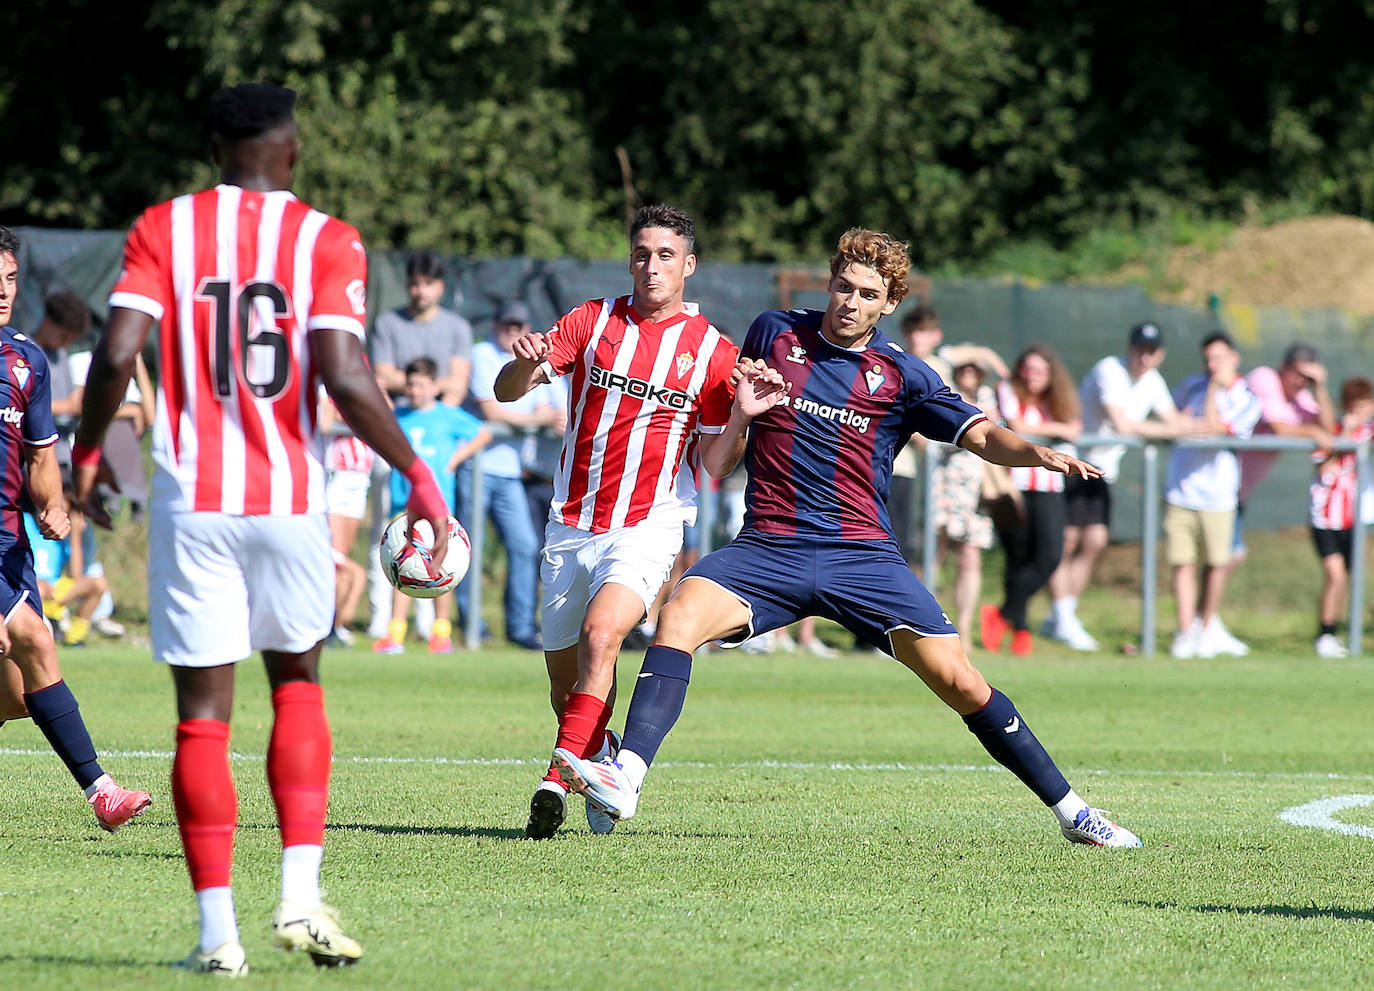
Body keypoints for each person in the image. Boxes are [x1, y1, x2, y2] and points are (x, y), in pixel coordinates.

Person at [554, 228, 1141, 850]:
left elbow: (982, 435)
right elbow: (727, 425)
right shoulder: (773, 333)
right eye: (843, 286)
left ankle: (1075, 812)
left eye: (868, 293)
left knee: (963, 682)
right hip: (767, 549)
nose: (851, 301)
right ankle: (627, 776)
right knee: (678, 619)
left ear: (888, 303)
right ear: (828, 282)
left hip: (860, 557)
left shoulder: (903, 376)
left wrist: (1037, 454)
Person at [72, 83, 455, 976]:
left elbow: (119, 350)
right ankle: (298, 897)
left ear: (214, 148)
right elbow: (344, 372)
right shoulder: (327, 238)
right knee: (298, 685)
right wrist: (418, 470)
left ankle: (217, 942)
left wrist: (89, 456)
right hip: (289, 499)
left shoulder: (164, 227)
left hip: (193, 502)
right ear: (291, 150)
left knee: (202, 721)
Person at [492, 203, 754, 840]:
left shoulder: (712, 353)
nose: (651, 267)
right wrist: (527, 363)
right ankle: (599, 756)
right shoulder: (592, 320)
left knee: (602, 634)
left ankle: (557, 776)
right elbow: (505, 392)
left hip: (648, 523)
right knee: (568, 689)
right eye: (642, 254)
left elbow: (716, 464)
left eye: (666, 256)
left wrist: (744, 413)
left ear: (689, 266)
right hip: (571, 522)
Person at [0, 225, 152, 833]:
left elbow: (40, 457)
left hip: (11, 546)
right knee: (36, 639)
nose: (3, 292)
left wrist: (55, 507)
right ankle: (103, 792)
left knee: (13, 697)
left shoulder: (27, 361)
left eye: (10, 279)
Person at [1042, 322, 1198, 650]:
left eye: (1151, 351)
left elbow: (1173, 421)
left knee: (1095, 540)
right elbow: (1123, 424)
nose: (1144, 357)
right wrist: (1173, 429)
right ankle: (1062, 616)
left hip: (1101, 470)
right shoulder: (1109, 370)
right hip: (1072, 463)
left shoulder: (1153, 381)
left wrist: (1198, 426)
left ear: (1161, 354)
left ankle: (1062, 615)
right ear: (1130, 348)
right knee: (1067, 540)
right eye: (1139, 349)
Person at [461, 300, 561, 650]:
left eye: (519, 326)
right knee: (467, 548)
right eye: (507, 325)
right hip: (477, 467)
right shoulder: (482, 354)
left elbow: (548, 406)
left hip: (511, 471)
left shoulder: (534, 357)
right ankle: (472, 624)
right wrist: (538, 421)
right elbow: (493, 409)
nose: (513, 332)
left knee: (525, 546)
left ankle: (520, 628)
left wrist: (541, 418)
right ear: (496, 325)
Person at [373, 358, 490, 654]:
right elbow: (376, 420)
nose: (415, 390)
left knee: (443, 567)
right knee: (404, 564)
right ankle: (396, 633)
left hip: (440, 509)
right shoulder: (398, 415)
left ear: (435, 387)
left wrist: (455, 459)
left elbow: (483, 432)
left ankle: (441, 633)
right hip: (403, 506)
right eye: (411, 384)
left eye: (422, 385)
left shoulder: (447, 416)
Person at [1163, 332, 1262, 659]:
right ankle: (1184, 631)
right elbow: (1170, 417)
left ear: (1234, 358)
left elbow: (1214, 428)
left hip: (1218, 495)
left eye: (1218, 358)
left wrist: (1215, 392)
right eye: (1208, 359)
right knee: (1183, 562)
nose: (1211, 365)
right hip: (1182, 489)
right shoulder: (1192, 384)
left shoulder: (1247, 398)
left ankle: (1206, 628)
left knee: (1218, 563)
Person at [979, 344, 1081, 656]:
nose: (1033, 376)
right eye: (1029, 370)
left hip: (1049, 486)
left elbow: (1074, 430)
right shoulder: (1008, 390)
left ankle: (1004, 614)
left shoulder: (1056, 400)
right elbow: (1019, 428)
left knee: (1049, 556)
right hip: (1014, 484)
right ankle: (1020, 630)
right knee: (1017, 557)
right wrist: (1052, 431)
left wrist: (1046, 430)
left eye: (1040, 371)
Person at [1232, 343, 1337, 566]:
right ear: (1284, 367)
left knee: (1227, 559)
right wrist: (1311, 431)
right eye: (1299, 374)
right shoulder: (1264, 378)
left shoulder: (1301, 397)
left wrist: (1320, 388)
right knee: (1228, 556)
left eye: (1308, 378)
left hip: (1238, 493)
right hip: (1216, 488)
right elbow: (1279, 427)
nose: (1301, 382)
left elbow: (1328, 429)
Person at [929, 359, 999, 636]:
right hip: (946, 485)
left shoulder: (987, 397)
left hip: (977, 487)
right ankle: (919, 624)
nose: (969, 373)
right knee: (934, 552)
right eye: (964, 368)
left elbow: (998, 427)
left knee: (970, 558)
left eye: (974, 368)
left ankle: (965, 630)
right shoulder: (945, 393)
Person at [1307, 376, 1374, 658]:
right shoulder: (1331, 431)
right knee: (1335, 576)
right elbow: (1324, 468)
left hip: (1359, 518)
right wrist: (1344, 437)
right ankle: (1326, 633)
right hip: (1326, 518)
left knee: (1358, 576)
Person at [318, 395, 373, 646]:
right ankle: (327, 622)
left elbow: (383, 412)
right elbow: (325, 424)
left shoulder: (365, 386)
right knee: (338, 562)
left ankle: (333, 624)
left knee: (341, 559)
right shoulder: (326, 389)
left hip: (360, 479)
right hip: (336, 476)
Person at [27, 488, 109, 647]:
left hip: (54, 589)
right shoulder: (25, 522)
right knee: (38, 586)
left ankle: (74, 637)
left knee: (98, 584)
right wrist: (34, 579)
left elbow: (75, 575)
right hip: (29, 584)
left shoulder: (62, 535)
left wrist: (76, 534)